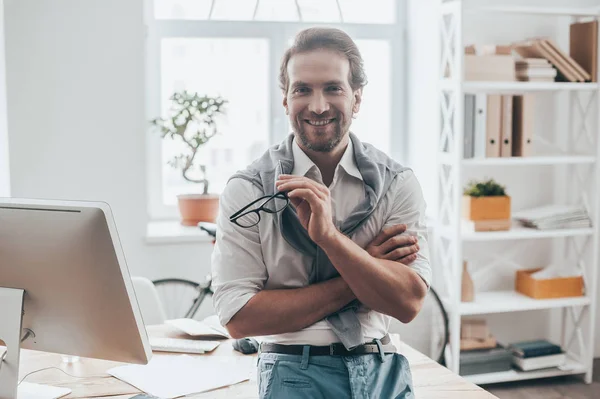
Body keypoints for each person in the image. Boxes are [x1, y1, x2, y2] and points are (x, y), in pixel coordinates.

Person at [212, 27, 431, 398]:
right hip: (289, 371)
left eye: (333, 88)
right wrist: (364, 269)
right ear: (285, 99)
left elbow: (407, 303)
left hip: (382, 370)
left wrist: (329, 239)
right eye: (302, 89)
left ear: (356, 99)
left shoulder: (397, 183)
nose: (317, 106)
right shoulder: (246, 190)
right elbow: (239, 318)